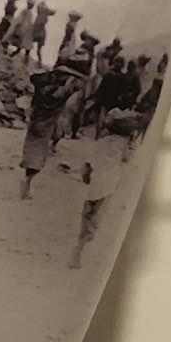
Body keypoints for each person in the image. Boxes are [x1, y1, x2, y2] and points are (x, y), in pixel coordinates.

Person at [69, 113, 137, 269]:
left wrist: (86, 178)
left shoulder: (101, 142)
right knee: (95, 222)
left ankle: (79, 246)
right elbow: (127, 159)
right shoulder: (125, 145)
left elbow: (87, 165)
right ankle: (79, 250)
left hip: (95, 184)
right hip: (109, 186)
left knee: (87, 216)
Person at [19, 66, 85, 199]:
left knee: (32, 152)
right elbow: (73, 89)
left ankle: (27, 182)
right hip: (46, 127)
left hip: (35, 123)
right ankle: (27, 183)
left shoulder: (42, 89)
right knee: (37, 157)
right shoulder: (59, 93)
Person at [93, 55, 125, 138]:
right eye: (117, 62)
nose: (118, 64)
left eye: (119, 63)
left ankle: (100, 134)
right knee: (104, 117)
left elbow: (102, 87)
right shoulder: (117, 75)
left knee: (104, 118)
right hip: (108, 100)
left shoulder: (118, 76)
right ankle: (99, 134)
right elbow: (102, 87)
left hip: (110, 100)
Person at [32, 1, 56, 66]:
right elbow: (53, 12)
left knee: (29, 43)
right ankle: (39, 62)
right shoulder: (45, 14)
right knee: (39, 49)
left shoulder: (40, 15)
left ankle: (37, 61)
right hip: (41, 32)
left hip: (36, 31)